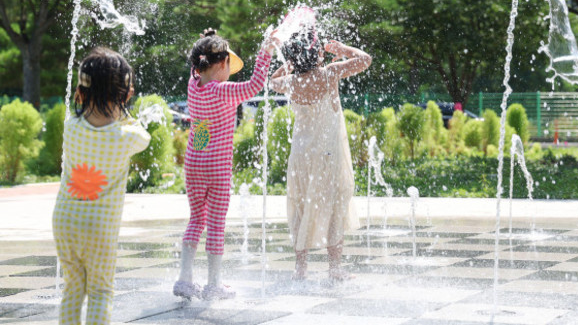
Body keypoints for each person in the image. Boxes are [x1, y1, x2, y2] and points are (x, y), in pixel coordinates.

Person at [174, 28, 279, 300]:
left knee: (196, 219)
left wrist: (208, 39)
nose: (230, 71)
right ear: (221, 63)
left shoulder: (193, 85)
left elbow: (196, 65)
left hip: (194, 164)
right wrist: (265, 52)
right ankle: (213, 284)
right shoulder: (223, 91)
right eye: (229, 65)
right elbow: (256, 85)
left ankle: (184, 280)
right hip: (217, 169)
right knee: (216, 223)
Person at [52, 47, 151, 325]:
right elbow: (144, 136)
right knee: (100, 291)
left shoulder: (71, 126)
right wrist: (124, 112)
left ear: (82, 91)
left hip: (64, 221)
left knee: (72, 289)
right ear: (124, 94)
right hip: (99, 228)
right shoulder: (127, 135)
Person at [270, 29, 371, 280]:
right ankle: (335, 269)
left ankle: (300, 269)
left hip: (301, 154)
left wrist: (289, 65)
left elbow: (272, 81)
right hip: (328, 153)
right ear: (317, 56)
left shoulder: (291, 82)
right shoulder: (330, 74)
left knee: (300, 204)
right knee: (335, 204)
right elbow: (365, 60)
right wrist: (343, 50)